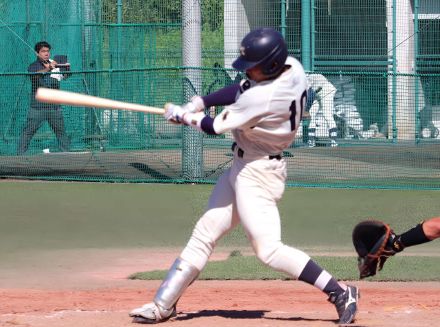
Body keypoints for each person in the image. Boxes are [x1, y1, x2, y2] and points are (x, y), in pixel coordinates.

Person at [129, 28, 359, 325]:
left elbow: (213, 127)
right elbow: (240, 87)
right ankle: (163, 305)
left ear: (271, 65)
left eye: (254, 65)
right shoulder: (293, 67)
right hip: (243, 166)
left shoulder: (264, 98)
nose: (249, 70)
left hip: (259, 174)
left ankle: (340, 292)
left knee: (269, 250)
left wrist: (184, 115)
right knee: (205, 232)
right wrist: (199, 102)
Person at [17, 41, 70, 155]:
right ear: (37, 53)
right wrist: (48, 69)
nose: (46, 53)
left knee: (61, 133)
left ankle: (66, 156)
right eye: (43, 51)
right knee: (28, 132)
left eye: (48, 51)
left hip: (54, 107)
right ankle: (20, 156)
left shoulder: (54, 65)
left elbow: (64, 76)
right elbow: (35, 75)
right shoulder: (33, 66)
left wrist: (66, 69)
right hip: (38, 108)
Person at [306, 73, 338, 147]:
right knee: (311, 114)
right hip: (316, 92)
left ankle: (334, 140)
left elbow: (310, 94)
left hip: (326, 90)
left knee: (327, 115)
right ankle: (311, 140)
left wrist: (306, 110)